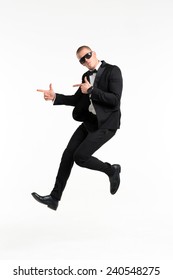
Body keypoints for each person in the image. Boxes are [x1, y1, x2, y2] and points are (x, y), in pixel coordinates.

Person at [32, 45, 123, 211]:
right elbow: (77, 100)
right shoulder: (86, 76)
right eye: (82, 60)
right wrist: (55, 97)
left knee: (80, 157)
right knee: (68, 155)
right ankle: (54, 198)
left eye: (87, 56)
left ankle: (112, 170)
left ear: (94, 53)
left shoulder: (113, 71)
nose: (86, 60)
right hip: (89, 121)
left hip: (106, 124)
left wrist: (92, 90)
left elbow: (115, 100)